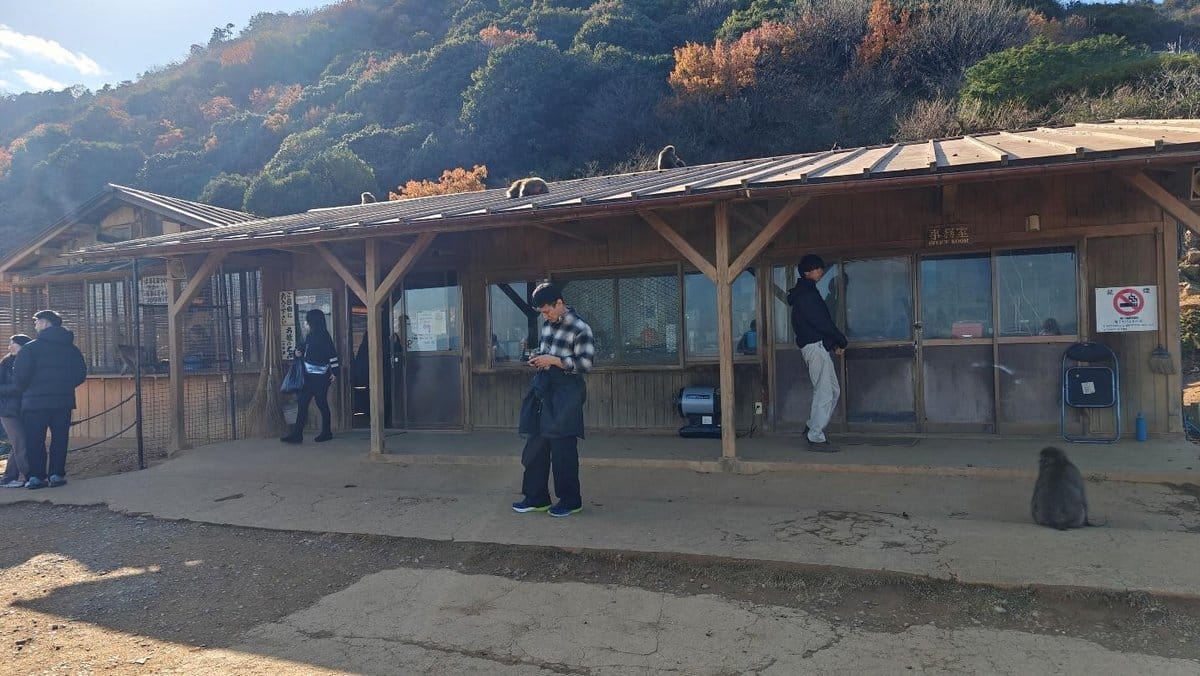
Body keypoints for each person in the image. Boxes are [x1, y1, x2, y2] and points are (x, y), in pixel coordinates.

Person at [513, 283, 595, 518]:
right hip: (544, 388)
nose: (545, 316)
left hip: (567, 392)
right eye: (542, 312)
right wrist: (538, 358)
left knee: (562, 450)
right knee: (535, 445)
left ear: (559, 303)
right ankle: (536, 497)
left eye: (547, 311)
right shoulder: (548, 324)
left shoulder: (580, 328)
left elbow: (586, 364)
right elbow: (547, 352)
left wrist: (555, 361)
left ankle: (570, 501)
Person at [15, 311, 88, 489]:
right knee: (60, 439)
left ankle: (36, 477)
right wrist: (65, 386)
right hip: (62, 401)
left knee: (35, 440)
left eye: (37, 322)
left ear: (46, 323)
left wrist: (29, 390)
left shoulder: (30, 348)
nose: (35, 325)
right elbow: (80, 373)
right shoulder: (71, 349)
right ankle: (56, 474)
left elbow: (20, 377)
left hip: (35, 402)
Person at [788, 255, 847, 453]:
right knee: (825, 392)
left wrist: (834, 342)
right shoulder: (807, 294)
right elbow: (821, 322)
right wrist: (840, 340)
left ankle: (812, 426)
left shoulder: (806, 292)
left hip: (816, 345)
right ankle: (815, 436)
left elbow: (818, 323)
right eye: (816, 268)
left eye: (820, 268)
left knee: (832, 391)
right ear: (807, 272)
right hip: (815, 347)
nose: (820, 271)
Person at [281, 309, 339, 444]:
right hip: (307, 378)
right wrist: (297, 352)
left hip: (321, 378)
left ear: (313, 322)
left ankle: (326, 432)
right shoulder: (309, 336)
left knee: (321, 403)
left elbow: (333, 356)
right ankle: (297, 435)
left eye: (307, 321)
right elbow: (302, 349)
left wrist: (335, 373)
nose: (305, 323)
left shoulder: (325, 337)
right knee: (302, 404)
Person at [0, 335, 33, 488]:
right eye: (10, 343)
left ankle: (8, 478)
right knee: (20, 442)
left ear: (23, 346)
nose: (10, 347)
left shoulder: (29, 363)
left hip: (25, 408)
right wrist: (17, 388)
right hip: (8, 410)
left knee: (18, 444)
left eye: (13, 344)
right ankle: (30, 476)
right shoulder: (5, 364)